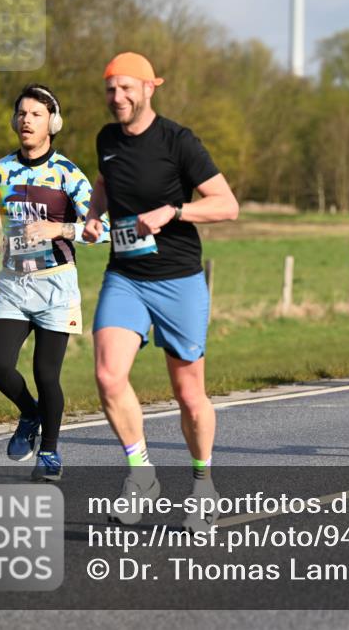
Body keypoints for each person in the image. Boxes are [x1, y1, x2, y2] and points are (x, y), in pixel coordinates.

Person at [82, 52, 239, 531]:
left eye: (127, 88)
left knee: (189, 394)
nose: (118, 97)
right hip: (125, 276)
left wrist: (173, 212)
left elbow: (227, 206)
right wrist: (95, 215)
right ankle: (141, 474)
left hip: (178, 280)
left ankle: (203, 485)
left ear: (150, 87)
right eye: (111, 89)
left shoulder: (179, 141)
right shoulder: (106, 139)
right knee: (109, 376)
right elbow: (106, 183)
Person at [0, 83, 108, 481]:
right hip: (13, 286)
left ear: (53, 121)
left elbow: (100, 231)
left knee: (46, 375)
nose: (26, 120)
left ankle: (49, 452)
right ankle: (30, 413)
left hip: (56, 287)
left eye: (35, 113)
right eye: (21, 113)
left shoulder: (70, 176)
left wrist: (58, 228)